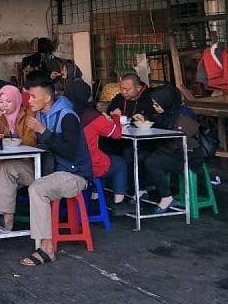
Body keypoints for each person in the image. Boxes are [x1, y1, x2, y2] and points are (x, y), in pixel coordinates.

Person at [0, 77, 92, 266]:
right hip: (48, 171)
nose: (28, 101)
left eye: (32, 97)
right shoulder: (41, 115)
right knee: (8, 167)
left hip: (74, 175)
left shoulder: (68, 117)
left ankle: (47, 248)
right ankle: (6, 223)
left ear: (47, 98)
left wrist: (44, 131)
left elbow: (70, 152)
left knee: (38, 189)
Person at [67, 79, 130, 216]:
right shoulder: (93, 117)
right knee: (118, 163)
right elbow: (116, 134)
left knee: (105, 159)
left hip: (69, 164)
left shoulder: (65, 114)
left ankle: (95, 198)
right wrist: (116, 117)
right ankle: (118, 203)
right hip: (89, 165)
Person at [139, 85, 200, 213]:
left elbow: (186, 138)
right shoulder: (167, 114)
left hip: (186, 154)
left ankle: (167, 197)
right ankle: (142, 189)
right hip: (170, 150)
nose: (155, 108)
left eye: (157, 105)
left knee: (151, 161)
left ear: (167, 102)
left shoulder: (184, 115)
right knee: (140, 156)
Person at [0, 84, 38, 215]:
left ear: (17, 100)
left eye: (8, 101)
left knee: (2, 169)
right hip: (5, 161)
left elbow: (31, 140)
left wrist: (12, 143)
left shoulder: (28, 114)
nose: (4, 105)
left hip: (27, 163)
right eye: (1, 101)